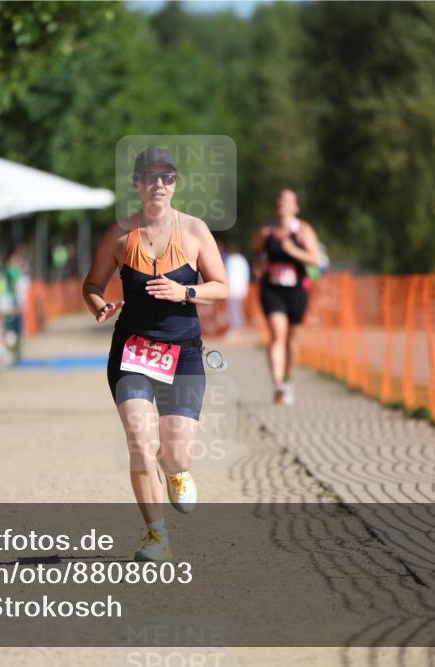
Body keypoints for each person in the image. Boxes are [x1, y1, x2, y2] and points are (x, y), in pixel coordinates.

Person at [82, 147, 228, 562]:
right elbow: (91, 285)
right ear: (137, 183)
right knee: (139, 441)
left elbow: (222, 286)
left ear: (175, 184)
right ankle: (155, 535)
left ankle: (175, 467)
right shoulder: (119, 235)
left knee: (177, 453)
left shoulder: (195, 230)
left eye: (167, 177)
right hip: (132, 352)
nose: (158, 185)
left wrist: (186, 291)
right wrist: (100, 306)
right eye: (150, 177)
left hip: (183, 354)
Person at [253, 189, 322, 406]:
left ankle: (288, 380)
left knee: (292, 342)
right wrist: (259, 264)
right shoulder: (266, 232)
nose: (281, 203)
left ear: (296, 207)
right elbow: (255, 252)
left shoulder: (303, 230)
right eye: (279, 199)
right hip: (272, 289)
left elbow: (315, 259)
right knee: (277, 335)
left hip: (297, 291)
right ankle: (278, 385)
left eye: (286, 200)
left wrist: (292, 250)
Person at [223, 241, 250, 335]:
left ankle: (235, 328)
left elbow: (228, 274)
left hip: (233, 289)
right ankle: (238, 327)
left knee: (233, 310)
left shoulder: (231, 260)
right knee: (238, 309)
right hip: (240, 289)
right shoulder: (242, 260)